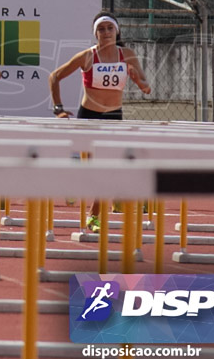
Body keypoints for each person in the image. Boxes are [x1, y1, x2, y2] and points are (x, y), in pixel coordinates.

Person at [48, 12, 151, 230]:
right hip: (89, 116)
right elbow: (54, 76)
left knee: (107, 170)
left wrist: (139, 82)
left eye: (109, 28)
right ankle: (71, 183)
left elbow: (145, 85)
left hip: (113, 117)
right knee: (89, 169)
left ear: (117, 31)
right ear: (95, 34)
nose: (105, 33)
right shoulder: (88, 56)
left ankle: (94, 217)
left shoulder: (128, 55)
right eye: (101, 29)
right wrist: (58, 109)